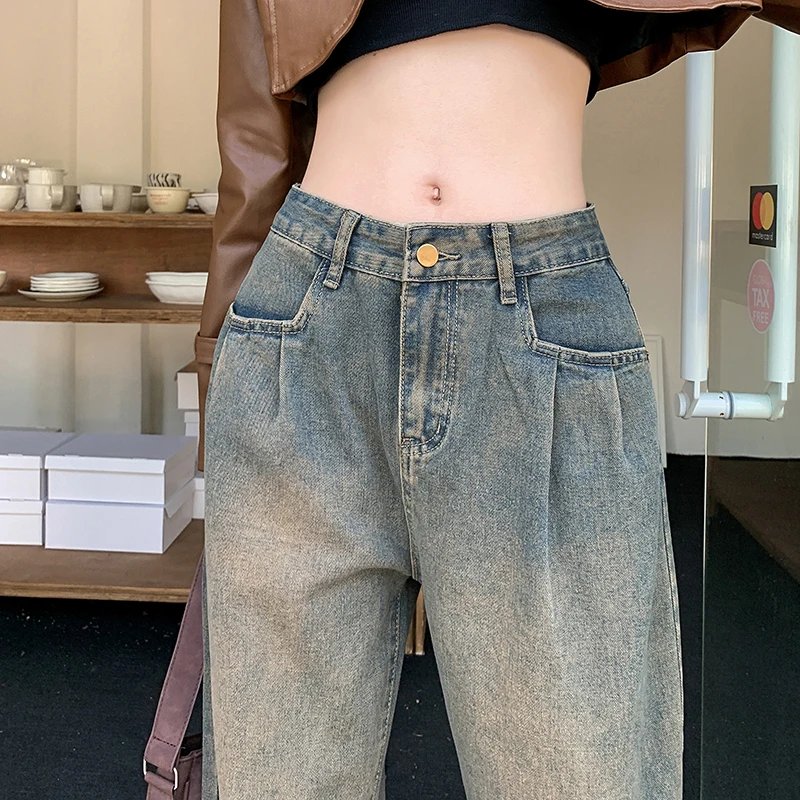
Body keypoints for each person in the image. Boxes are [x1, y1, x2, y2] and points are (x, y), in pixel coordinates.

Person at [196, 2, 800, 798]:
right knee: (275, 777)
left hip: (539, 319)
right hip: (309, 312)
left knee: (579, 773)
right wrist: (224, 361)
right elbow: (252, 126)